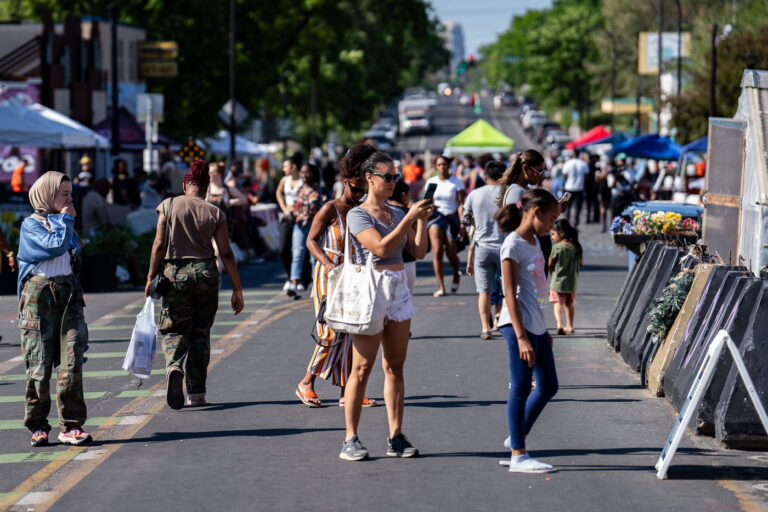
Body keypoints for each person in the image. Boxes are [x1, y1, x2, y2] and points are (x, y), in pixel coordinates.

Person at [340, 151, 431, 461]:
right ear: (370, 178)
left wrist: (421, 221)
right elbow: (379, 248)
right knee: (361, 367)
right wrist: (408, 218)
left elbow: (418, 251)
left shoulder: (395, 212)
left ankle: (396, 435)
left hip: (398, 288)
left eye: (396, 177)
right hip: (371, 290)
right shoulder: (358, 215)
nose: (393, 182)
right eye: (387, 176)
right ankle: (350, 438)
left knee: (395, 365)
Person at [145, 159, 245, 410]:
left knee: (174, 328)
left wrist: (150, 276)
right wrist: (237, 288)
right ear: (206, 187)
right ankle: (197, 392)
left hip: (175, 274)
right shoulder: (215, 212)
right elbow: (226, 252)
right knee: (200, 332)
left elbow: (158, 244)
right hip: (206, 274)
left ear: (185, 184)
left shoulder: (168, 205)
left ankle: (174, 366)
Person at [295, 144, 376, 408]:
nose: (359, 194)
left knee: (350, 332)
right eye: (355, 189)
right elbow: (310, 241)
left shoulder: (361, 211)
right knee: (330, 331)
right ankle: (306, 383)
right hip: (328, 276)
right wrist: (328, 264)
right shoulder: (329, 208)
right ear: (345, 182)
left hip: (353, 276)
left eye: (363, 191)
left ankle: (347, 392)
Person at [16, 171, 90, 447]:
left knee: (72, 360)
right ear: (47, 195)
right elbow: (55, 247)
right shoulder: (31, 225)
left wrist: (66, 221)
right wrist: (67, 220)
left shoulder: (63, 222)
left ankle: (71, 425)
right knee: (39, 363)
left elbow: (74, 254)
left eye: (71, 194)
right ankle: (37, 424)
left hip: (68, 293)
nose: (70, 200)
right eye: (64, 195)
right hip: (39, 297)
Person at [495, 188, 560, 473]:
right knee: (521, 386)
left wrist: (542, 331)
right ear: (535, 212)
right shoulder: (513, 245)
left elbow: (535, 289)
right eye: (551, 219)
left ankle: (516, 436)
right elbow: (510, 294)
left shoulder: (533, 241)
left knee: (548, 385)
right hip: (517, 324)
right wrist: (522, 337)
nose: (552, 226)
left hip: (536, 322)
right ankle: (518, 456)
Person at [462, 160, 505, 339]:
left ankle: (485, 328)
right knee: (508, 289)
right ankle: (503, 321)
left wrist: (475, 227)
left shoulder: (474, 194)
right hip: (505, 247)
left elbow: (465, 219)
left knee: (484, 291)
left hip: (482, 247)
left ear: (485, 176)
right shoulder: (507, 194)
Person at [425, 155, 465, 297]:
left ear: (449, 166)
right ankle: (441, 287)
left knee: (451, 251)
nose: (442, 167)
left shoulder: (456, 182)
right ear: (436, 167)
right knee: (437, 251)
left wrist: (462, 222)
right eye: (439, 165)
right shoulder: (432, 182)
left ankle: (456, 273)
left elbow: (460, 204)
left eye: (444, 164)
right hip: (436, 217)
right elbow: (427, 200)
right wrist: (430, 206)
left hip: (451, 217)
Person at [289, 164, 322, 295]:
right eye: (302, 173)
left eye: (307, 172)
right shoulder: (299, 190)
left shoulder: (319, 190)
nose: (304, 175)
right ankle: (294, 284)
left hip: (315, 225)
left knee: (314, 257)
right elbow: (293, 206)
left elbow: (324, 207)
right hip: (300, 225)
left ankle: (315, 285)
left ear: (313, 174)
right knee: (297, 254)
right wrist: (297, 215)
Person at [549, 219, 583, 335]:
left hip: (558, 282)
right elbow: (581, 263)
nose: (552, 237)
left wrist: (551, 272)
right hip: (571, 282)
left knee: (558, 303)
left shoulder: (557, 247)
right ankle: (570, 326)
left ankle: (559, 325)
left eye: (553, 234)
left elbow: (550, 263)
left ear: (562, 233)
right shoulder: (576, 247)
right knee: (569, 303)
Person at [276, 158, 302, 292]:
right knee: (283, 248)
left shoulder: (302, 180)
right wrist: (284, 208)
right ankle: (289, 275)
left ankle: (299, 278)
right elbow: (278, 193)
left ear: (294, 167)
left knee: (299, 249)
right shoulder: (284, 180)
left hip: (299, 218)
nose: (283, 169)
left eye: (285, 166)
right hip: (287, 217)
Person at [388, 180, 417, 296]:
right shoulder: (409, 213)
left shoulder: (383, 210)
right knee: (406, 299)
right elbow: (420, 245)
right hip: (407, 260)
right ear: (404, 194)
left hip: (387, 262)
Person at [562, 152, 589, 227]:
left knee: (567, 206)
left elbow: (564, 175)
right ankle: (575, 224)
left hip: (568, 188)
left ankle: (566, 223)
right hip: (579, 188)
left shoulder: (568, 163)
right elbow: (587, 176)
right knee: (578, 207)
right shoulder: (583, 164)